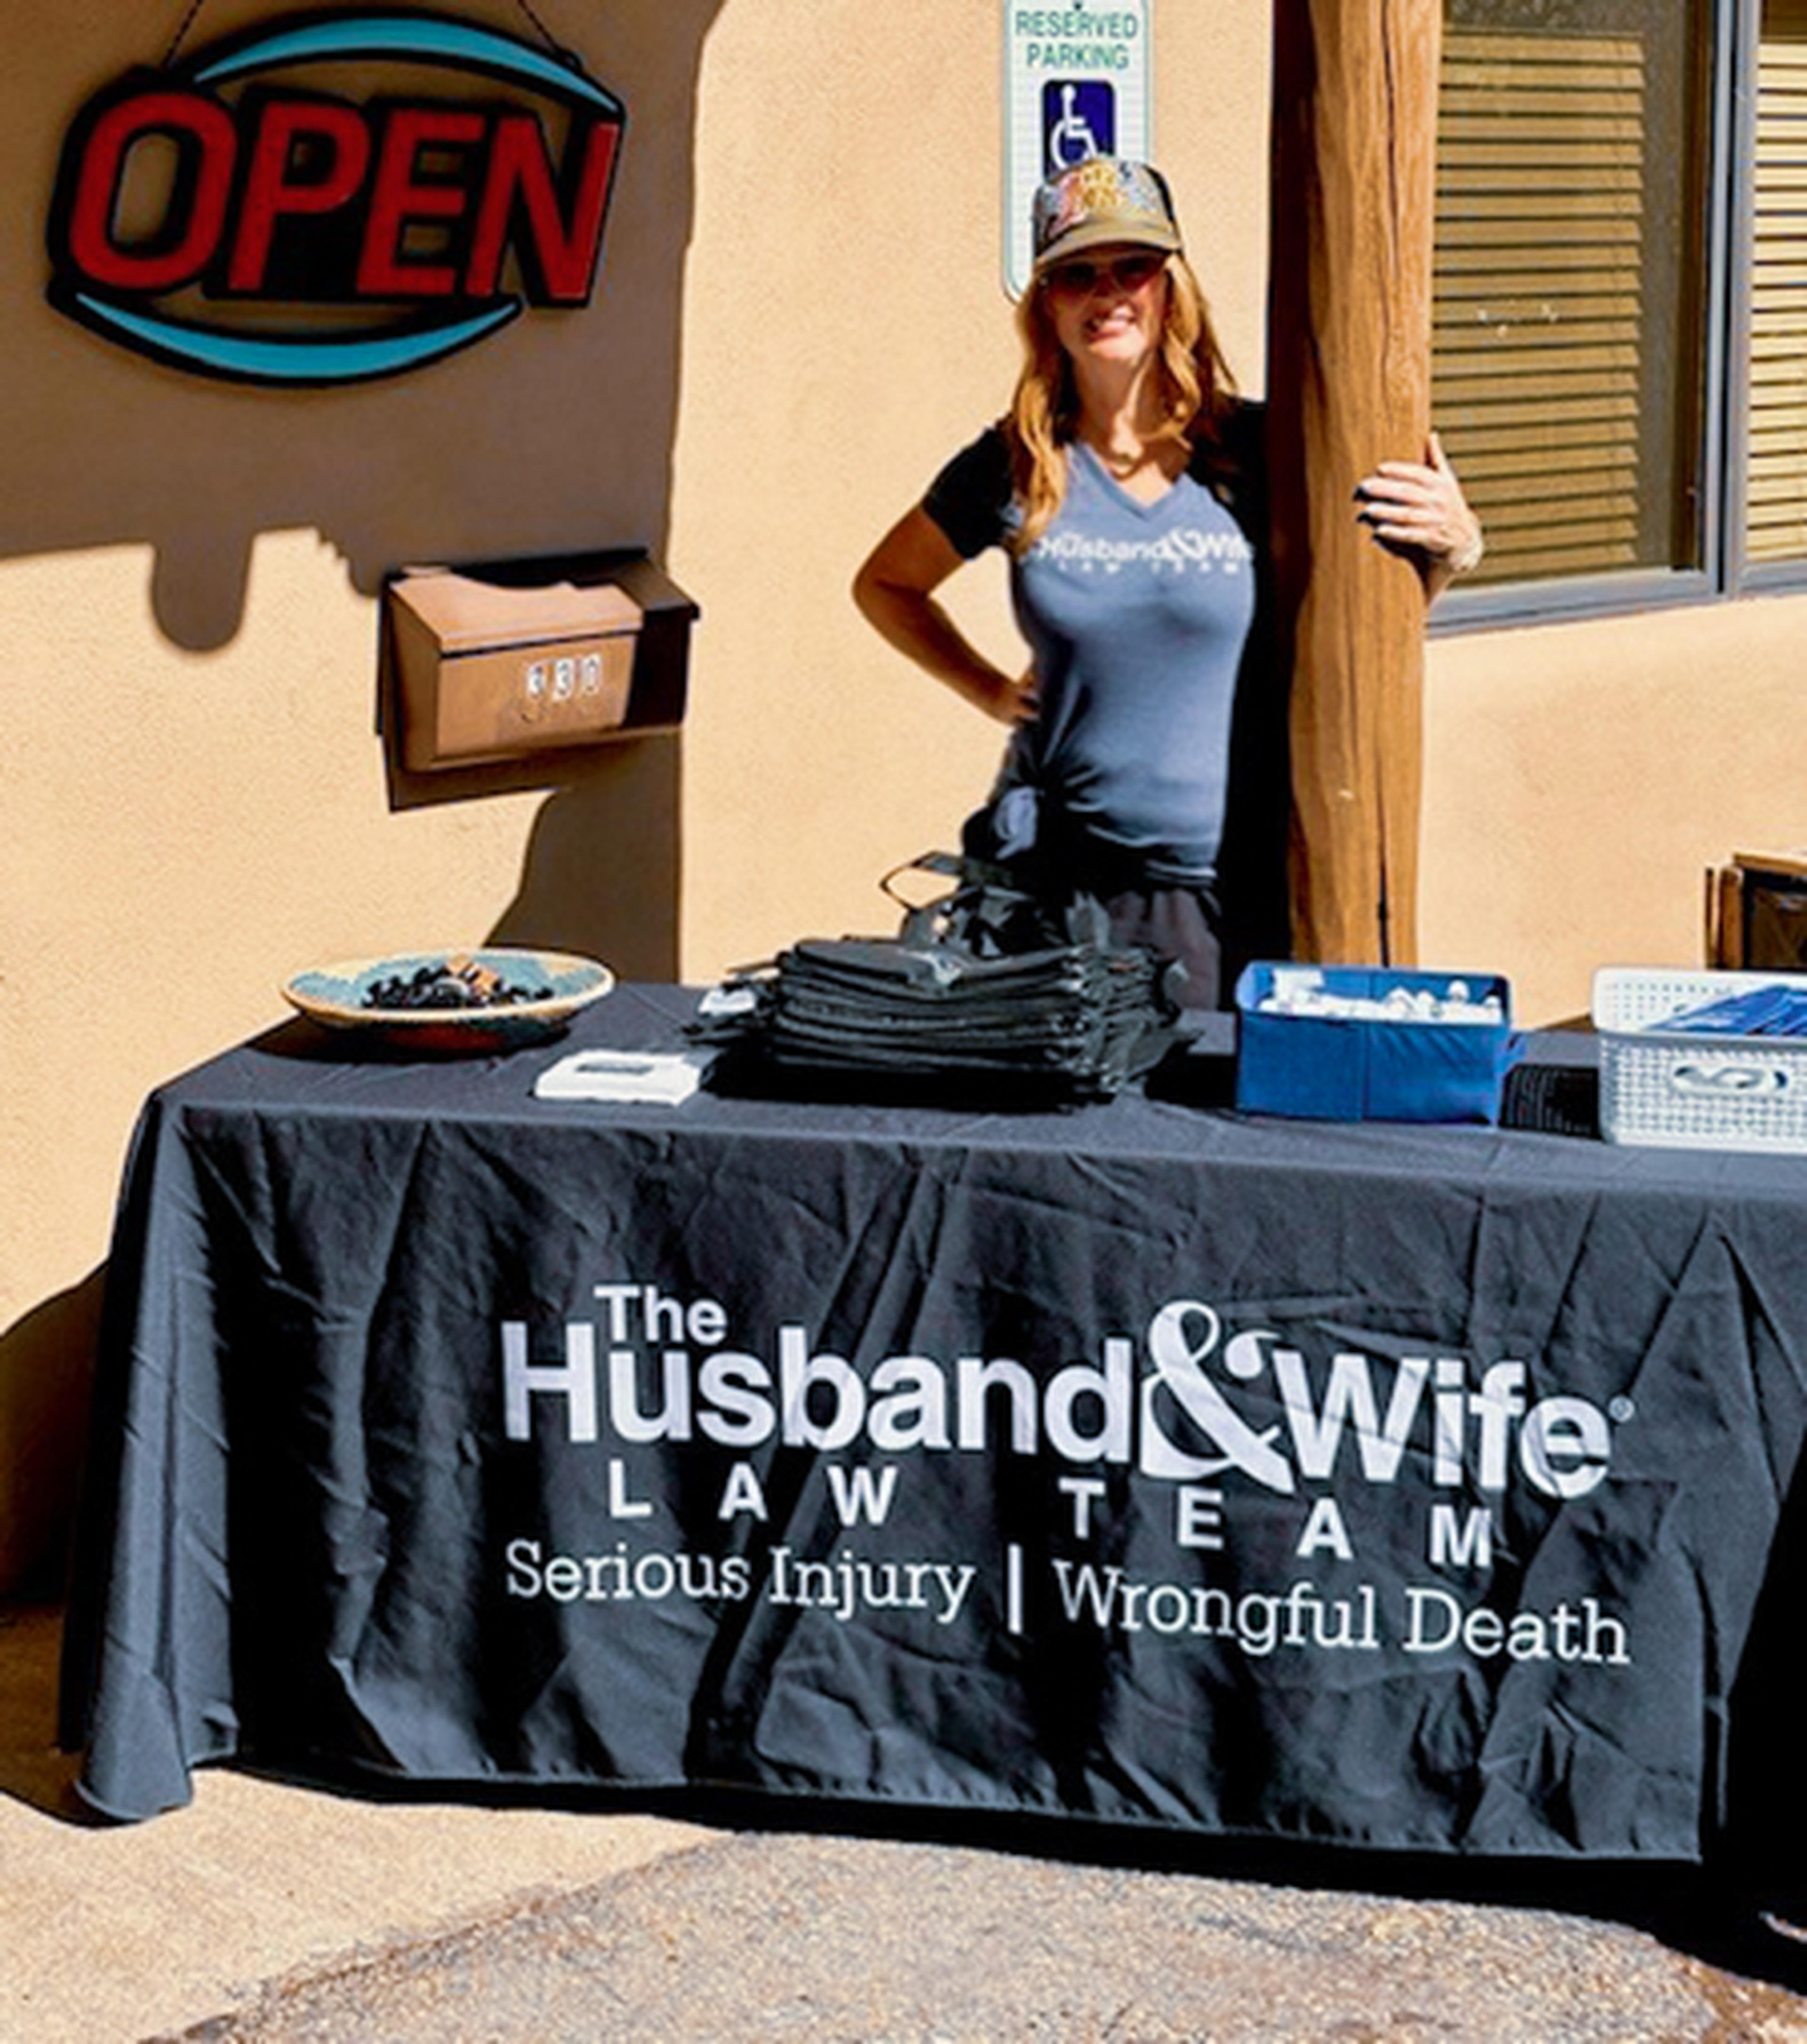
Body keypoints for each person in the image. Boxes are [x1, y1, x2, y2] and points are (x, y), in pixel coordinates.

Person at [853, 157, 1484, 1009]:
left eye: (1133, 267)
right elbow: (888, 585)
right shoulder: (1014, 464)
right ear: (1047, 304)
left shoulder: (1262, 452)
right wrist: (990, 690)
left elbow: (1358, 621)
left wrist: (1455, 547)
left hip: (1246, 885)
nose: (1107, 293)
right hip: (1070, 890)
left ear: (1170, 289)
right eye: (1077, 274)